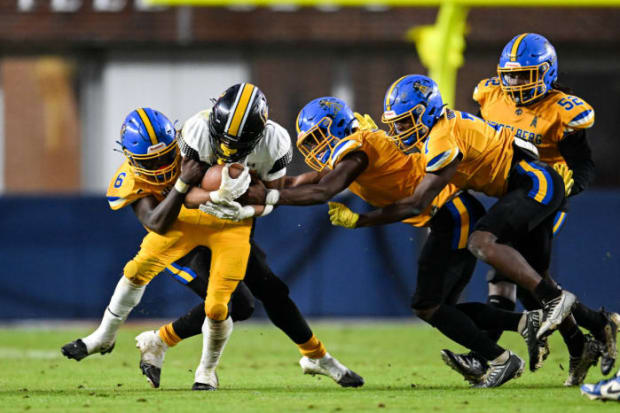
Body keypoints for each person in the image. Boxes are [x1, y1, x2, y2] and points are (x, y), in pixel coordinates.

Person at [219, 96, 546, 388]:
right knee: (439, 306)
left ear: (339, 126)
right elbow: (300, 180)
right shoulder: (351, 147)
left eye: (320, 136)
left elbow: (323, 191)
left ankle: (503, 359)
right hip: (448, 214)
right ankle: (523, 323)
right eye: (311, 142)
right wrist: (254, 183)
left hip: (452, 212)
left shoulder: (357, 149)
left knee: (428, 305)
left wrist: (271, 196)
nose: (316, 147)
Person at [325, 74, 589, 386]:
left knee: (485, 248)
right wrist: (374, 139)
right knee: (503, 274)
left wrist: (360, 220)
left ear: (427, 112)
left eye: (406, 121)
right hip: (522, 185)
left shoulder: (441, 136)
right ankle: (567, 332)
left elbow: (415, 203)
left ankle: (548, 308)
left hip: (534, 182)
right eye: (395, 123)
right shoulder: (436, 131)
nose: (399, 129)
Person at [165, 83, 363, 390]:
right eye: (224, 139)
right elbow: (179, 192)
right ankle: (190, 363)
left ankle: (316, 356)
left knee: (269, 291)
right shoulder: (197, 130)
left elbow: (270, 197)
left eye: (239, 143)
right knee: (229, 304)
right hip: (192, 226)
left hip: (237, 224)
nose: (230, 150)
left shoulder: (274, 141)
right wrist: (214, 196)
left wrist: (245, 212)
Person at [447, 32, 617, 386]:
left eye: (526, 74)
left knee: (512, 278)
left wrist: (566, 186)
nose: (517, 82)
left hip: (543, 197)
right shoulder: (489, 94)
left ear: (547, 72)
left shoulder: (561, 109)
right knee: (526, 284)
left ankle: (486, 357)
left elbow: (583, 164)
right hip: (509, 193)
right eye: (512, 74)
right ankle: (596, 328)